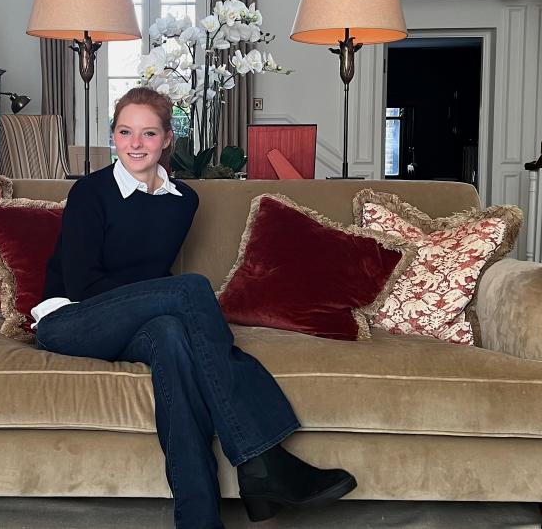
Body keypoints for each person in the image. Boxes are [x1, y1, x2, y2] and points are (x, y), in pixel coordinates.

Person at [34, 87, 356, 528]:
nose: (135, 143)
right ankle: (263, 461)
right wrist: (166, 293)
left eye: (148, 133)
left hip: (139, 320)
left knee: (171, 337)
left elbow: (145, 275)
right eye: (125, 132)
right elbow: (85, 285)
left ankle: (199, 520)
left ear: (167, 139)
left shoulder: (183, 202)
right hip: (71, 319)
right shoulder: (91, 192)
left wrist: (161, 297)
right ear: (113, 136)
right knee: (189, 291)